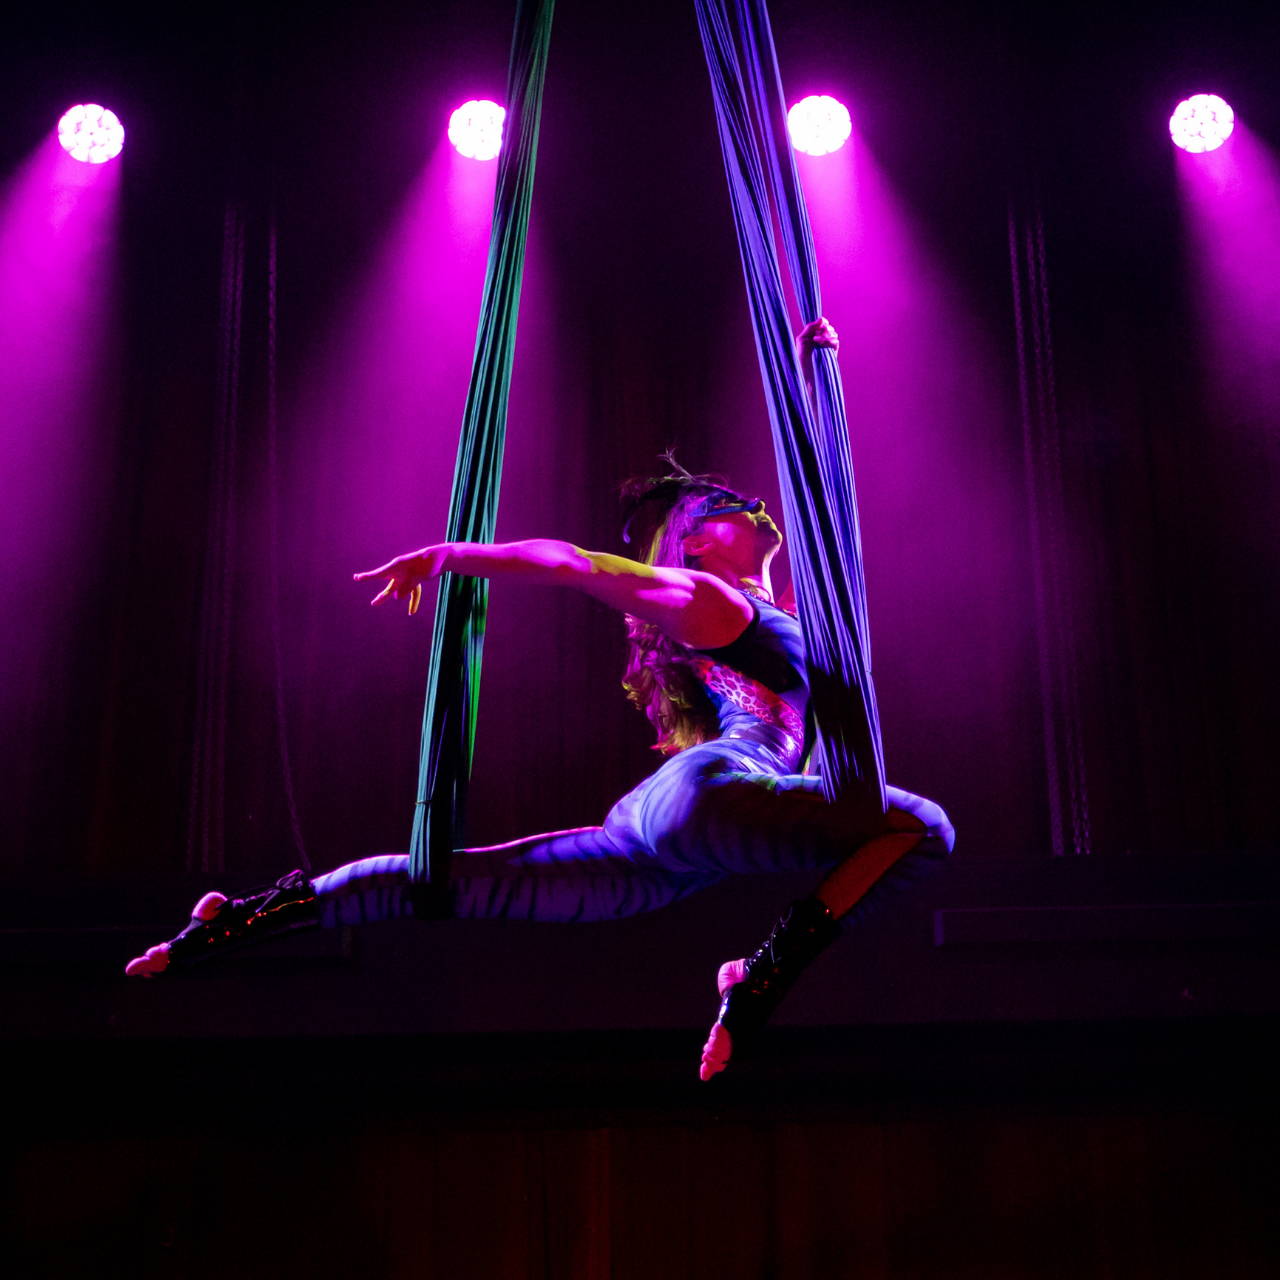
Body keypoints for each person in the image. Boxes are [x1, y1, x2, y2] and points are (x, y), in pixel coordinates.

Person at [125, 319, 954, 1080]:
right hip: (722, 797)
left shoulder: (794, 617)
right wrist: (451, 554)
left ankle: (231, 923)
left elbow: (829, 509)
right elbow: (580, 564)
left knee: (447, 884)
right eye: (729, 505)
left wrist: (821, 381)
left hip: (666, 844)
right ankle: (758, 976)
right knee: (918, 829)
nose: (756, 505)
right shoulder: (713, 599)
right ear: (696, 540)